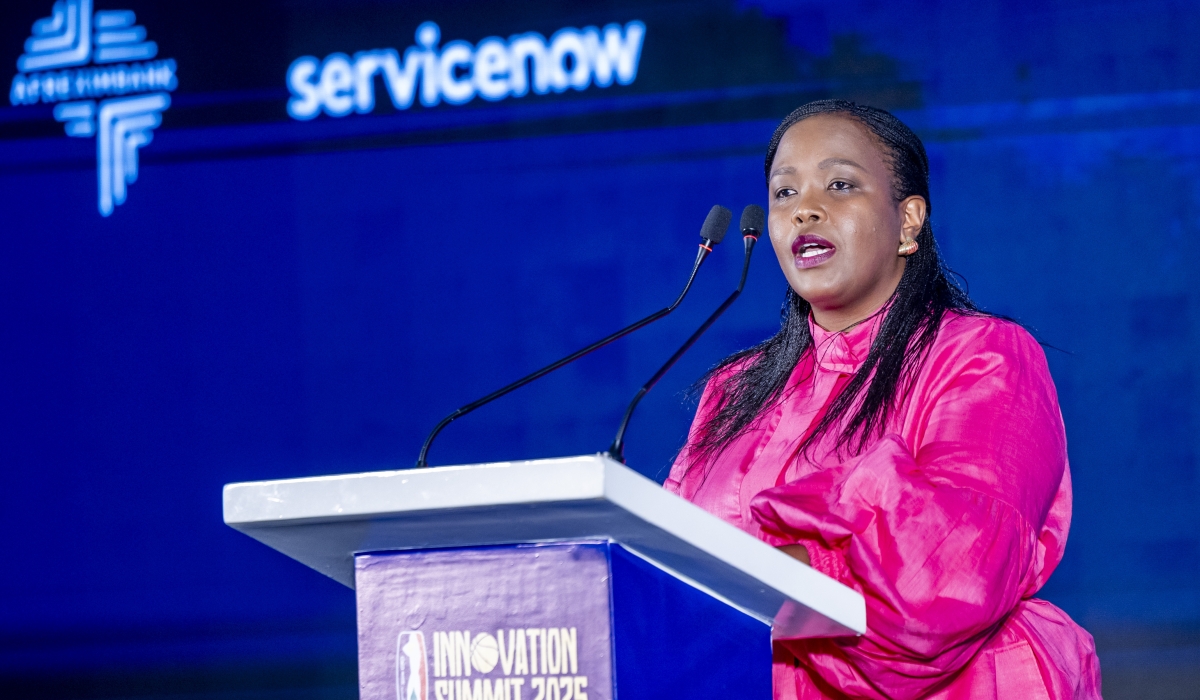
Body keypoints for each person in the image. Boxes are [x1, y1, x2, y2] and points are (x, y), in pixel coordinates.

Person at [664, 100, 1102, 699]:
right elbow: (664, 566)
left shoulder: (981, 355)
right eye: (784, 194)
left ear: (909, 222)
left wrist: (740, 582)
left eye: (839, 184)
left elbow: (954, 574)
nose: (805, 210)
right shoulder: (734, 390)